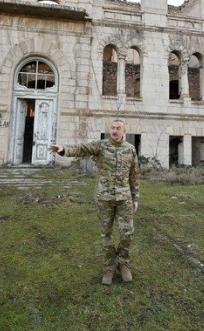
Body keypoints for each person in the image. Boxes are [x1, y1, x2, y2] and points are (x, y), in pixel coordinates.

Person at [48, 119, 139, 285]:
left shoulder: (130, 149)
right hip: (104, 198)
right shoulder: (101, 146)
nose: (115, 130)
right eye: (112, 128)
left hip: (124, 198)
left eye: (118, 128)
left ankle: (123, 263)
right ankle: (110, 266)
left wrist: (136, 197)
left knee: (128, 233)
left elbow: (134, 175)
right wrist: (63, 150)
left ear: (124, 131)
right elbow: (82, 149)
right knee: (106, 234)